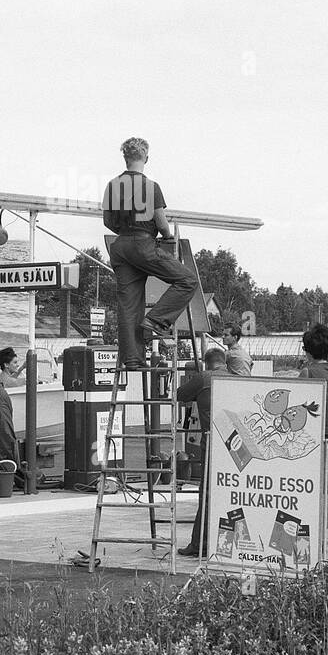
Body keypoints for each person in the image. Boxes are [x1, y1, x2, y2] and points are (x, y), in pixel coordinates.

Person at [102, 137, 197, 370]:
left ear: (125, 158)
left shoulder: (112, 185)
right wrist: (165, 236)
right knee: (187, 280)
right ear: (146, 157)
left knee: (128, 304)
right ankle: (156, 320)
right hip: (143, 244)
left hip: (120, 246)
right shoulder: (150, 186)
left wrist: (124, 232)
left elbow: (107, 221)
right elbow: (161, 220)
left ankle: (133, 360)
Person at [176, 346, 227, 555]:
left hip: (211, 443)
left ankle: (199, 544)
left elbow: (180, 395)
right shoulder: (235, 377)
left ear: (207, 363)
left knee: (206, 494)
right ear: (223, 362)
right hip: (235, 445)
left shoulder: (204, 378)